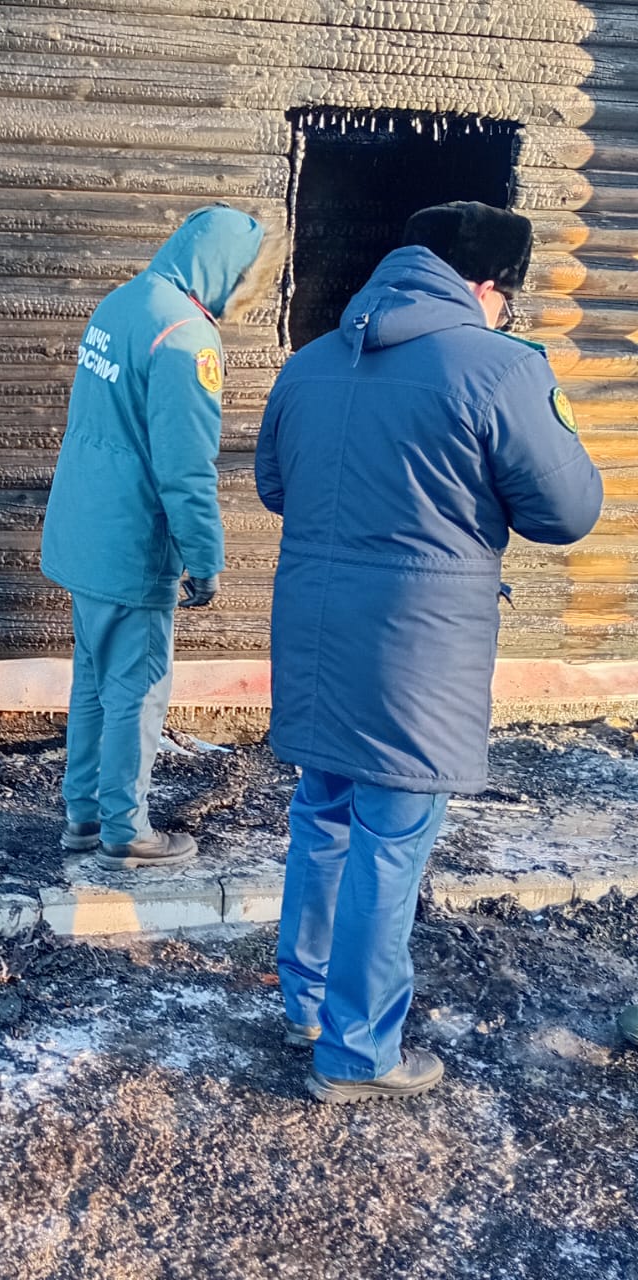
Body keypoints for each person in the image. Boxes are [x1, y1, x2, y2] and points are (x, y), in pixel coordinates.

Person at [256, 201, 604, 1103]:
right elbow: (568, 512)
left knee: (323, 813)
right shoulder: (500, 367)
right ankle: (359, 1051)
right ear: (486, 287)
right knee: (392, 836)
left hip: (316, 628)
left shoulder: (310, 361)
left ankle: (306, 1004)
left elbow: (274, 487)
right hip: (418, 643)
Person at [41, 205, 275, 870]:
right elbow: (185, 468)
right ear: (226, 269)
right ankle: (126, 830)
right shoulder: (185, 337)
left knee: (94, 680)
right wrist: (205, 557)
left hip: (83, 527)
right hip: (129, 542)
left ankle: (85, 815)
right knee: (138, 690)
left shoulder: (122, 302)